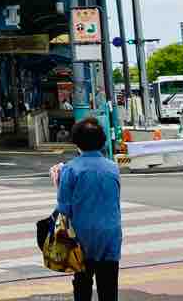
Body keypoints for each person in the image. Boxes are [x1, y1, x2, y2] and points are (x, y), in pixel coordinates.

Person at [54, 117, 122, 301]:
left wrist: (58, 182)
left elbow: (64, 208)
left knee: (82, 284)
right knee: (109, 287)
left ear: (77, 142)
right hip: (110, 234)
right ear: (102, 141)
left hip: (81, 237)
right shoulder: (113, 168)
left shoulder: (70, 170)